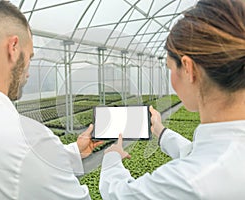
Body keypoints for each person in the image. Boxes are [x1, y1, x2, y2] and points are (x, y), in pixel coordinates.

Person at [0, 1, 102, 199]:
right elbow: (24, 161)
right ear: (13, 47)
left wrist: (72, 152)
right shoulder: (30, 140)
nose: (28, 72)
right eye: (30, 56)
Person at [99, 0, 245, 199]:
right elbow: (197, 153)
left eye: (169, 68)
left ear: (188, 68)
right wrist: (159, 130)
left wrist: (111, 159)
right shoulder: (227, 152)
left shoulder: (190, 182)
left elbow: (120, 195)